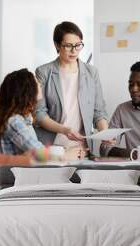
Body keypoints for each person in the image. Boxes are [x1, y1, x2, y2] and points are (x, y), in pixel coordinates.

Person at [35, 21, 109, 152]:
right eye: (68, 46)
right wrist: (65, 130)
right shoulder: (44, 72)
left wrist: (105, 133)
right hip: (51, 147)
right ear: (57, 45)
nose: (74, 51)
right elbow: (39, 114)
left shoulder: (92, 73)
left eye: (78, 45)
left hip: (81, 149)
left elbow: (99, 112)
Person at [0, 68, 85, 161]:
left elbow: (36, 150)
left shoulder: (24, 118)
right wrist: (67, 155)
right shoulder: (14, 121)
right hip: (12, 177)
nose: (40, 85)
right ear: (27, 90)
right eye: (36, 82)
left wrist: (65, 151)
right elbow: (39, 153)